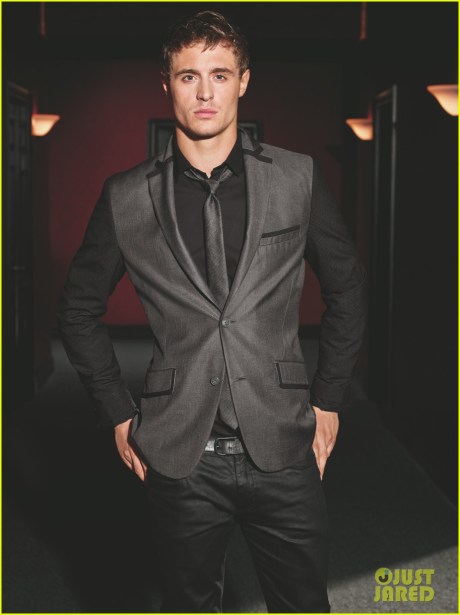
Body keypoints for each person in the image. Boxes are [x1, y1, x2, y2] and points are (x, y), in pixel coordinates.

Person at [58, 10, 367, 613]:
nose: (205, 92)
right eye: (189, 76)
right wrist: (117, 412)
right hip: (180, 456)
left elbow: (348, 289)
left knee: (305, 606)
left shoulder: (296, 177)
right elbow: (77, 310)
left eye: (220, 75)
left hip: (283, 446)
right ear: (167, 84)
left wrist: (329, 398)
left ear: (243, 81)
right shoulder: (126, 196)